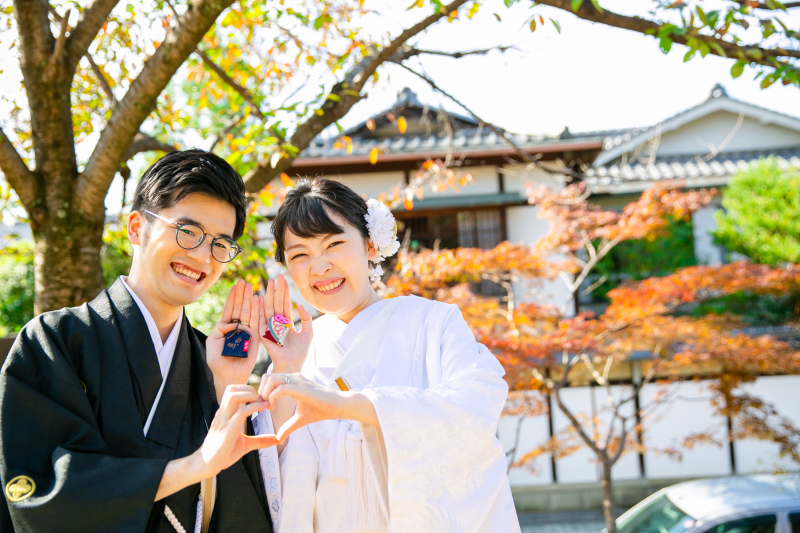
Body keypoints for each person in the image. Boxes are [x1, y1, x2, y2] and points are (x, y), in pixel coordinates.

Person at [0, 150, 277, 532]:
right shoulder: (55, 341)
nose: (202, 257)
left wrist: (225, 386)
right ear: (135, 227)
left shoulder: (209, 362)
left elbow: (241, 510)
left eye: (220, 245)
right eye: (188, 231)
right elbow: (40, 490)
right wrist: (194, 467)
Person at [252, 178, 521, 532]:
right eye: (300, 254)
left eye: (334, 244)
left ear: (369, 245)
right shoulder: (299, 351)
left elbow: (475, 403)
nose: (319, 268)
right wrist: (286, 368)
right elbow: (280, 482)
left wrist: (348, 406)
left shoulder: (432, 323)